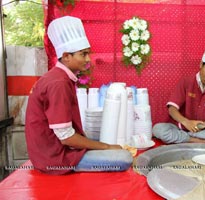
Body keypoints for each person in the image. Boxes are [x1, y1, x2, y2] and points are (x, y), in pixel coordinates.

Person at [25, 16, 133, 175]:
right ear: (67, 56)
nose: (88, 59)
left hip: (53, 150)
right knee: (124, 158)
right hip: (55, 158)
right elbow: (66, 138)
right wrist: (107, 147)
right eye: (83, 54)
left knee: (105, 142)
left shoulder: (57, 77)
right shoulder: (58, 83)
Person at [153, 39, 205, 144]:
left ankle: (193, 139)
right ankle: (198, 141)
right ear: (201, 65)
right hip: (182, 128)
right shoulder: (186, 82)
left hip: (203, 131)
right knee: (158, 129)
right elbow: (172, 109)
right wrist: (187, 122)